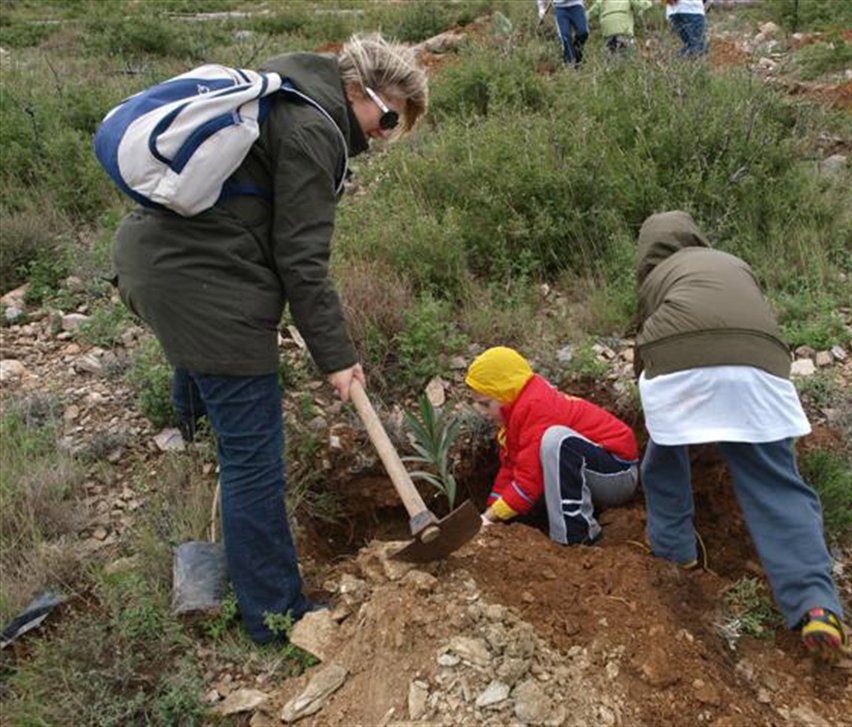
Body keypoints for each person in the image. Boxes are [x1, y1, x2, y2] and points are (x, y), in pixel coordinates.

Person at [112, 34, 428, 644]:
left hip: (154, 265)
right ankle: (276, 617)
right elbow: (302, 262)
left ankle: (196, 429)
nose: (384, 135)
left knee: (212, 374)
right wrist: (337, 357)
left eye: (397, 127)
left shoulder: (283, 90)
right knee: (254, 459)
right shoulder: (316, 131)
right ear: (358, 92)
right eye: (386, 117)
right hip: (203, 285)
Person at [633, 211, 846, 659]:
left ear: (649, 251)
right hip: (762, 361)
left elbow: (646, 350)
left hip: (677, 359)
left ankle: (676, 556)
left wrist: (661, 414)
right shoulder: (732, 262)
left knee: (664, 459)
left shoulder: (655, 278)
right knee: (774, 480)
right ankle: (816, 603)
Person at [466, 346, 639, 545]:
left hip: (619, 475)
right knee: (549, 448)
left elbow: (528, 481)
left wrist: (490, 518)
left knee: (554, 440)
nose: (480, 411)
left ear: (507, 393)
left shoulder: (537, 407)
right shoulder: (517, 411)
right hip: (597, 473)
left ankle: (577, 536)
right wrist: (490, 512)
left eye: (486, 404)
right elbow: (511, 468)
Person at [537, 0, 590, 66]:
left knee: (583, 32)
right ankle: (571, 63)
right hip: (560, 8)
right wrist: (541, 8)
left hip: (576, 5)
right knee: (565, 36)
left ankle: (577, 52)